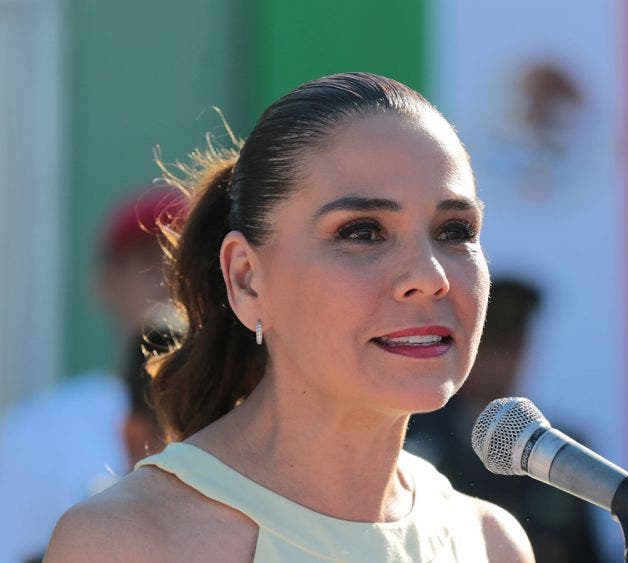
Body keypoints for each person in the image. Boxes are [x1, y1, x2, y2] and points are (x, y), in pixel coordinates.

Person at [45, 72, 533, 562]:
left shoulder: (491, 543)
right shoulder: (127, 543)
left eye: (455, 231)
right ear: (247, 279)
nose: (429, 277)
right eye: (362, 232)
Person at [0, 185, 181, 563]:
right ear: (106, 283)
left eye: (183, 259)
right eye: (148, 259)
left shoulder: (251, 418)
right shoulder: (36, 432)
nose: (167, 277)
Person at [406, 279, 602, 562]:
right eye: (491, 348)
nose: (501, 363)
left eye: (512, 347)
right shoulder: (416, 438)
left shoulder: (562, 449)